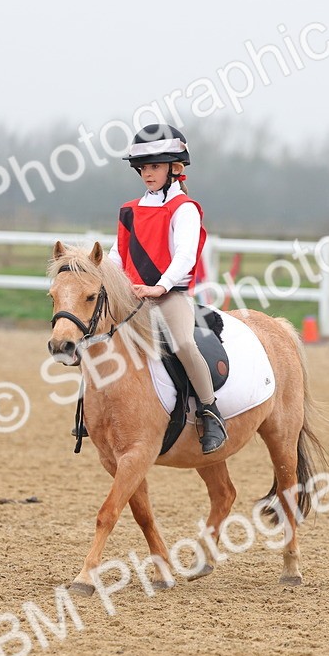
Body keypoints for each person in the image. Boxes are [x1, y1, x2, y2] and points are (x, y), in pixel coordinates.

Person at [108, 124, 227, 454]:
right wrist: (105, 279)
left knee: (184, 344)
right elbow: (120, 254)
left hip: (169, 296)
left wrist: (160, 287)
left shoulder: (184, 209)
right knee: (95, 339)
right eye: (144, 167)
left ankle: (210, 411)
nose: (148, 173)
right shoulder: (130, 210)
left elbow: (186, 255)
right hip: (132, 298)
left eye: (155, 166)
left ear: (175, 168)